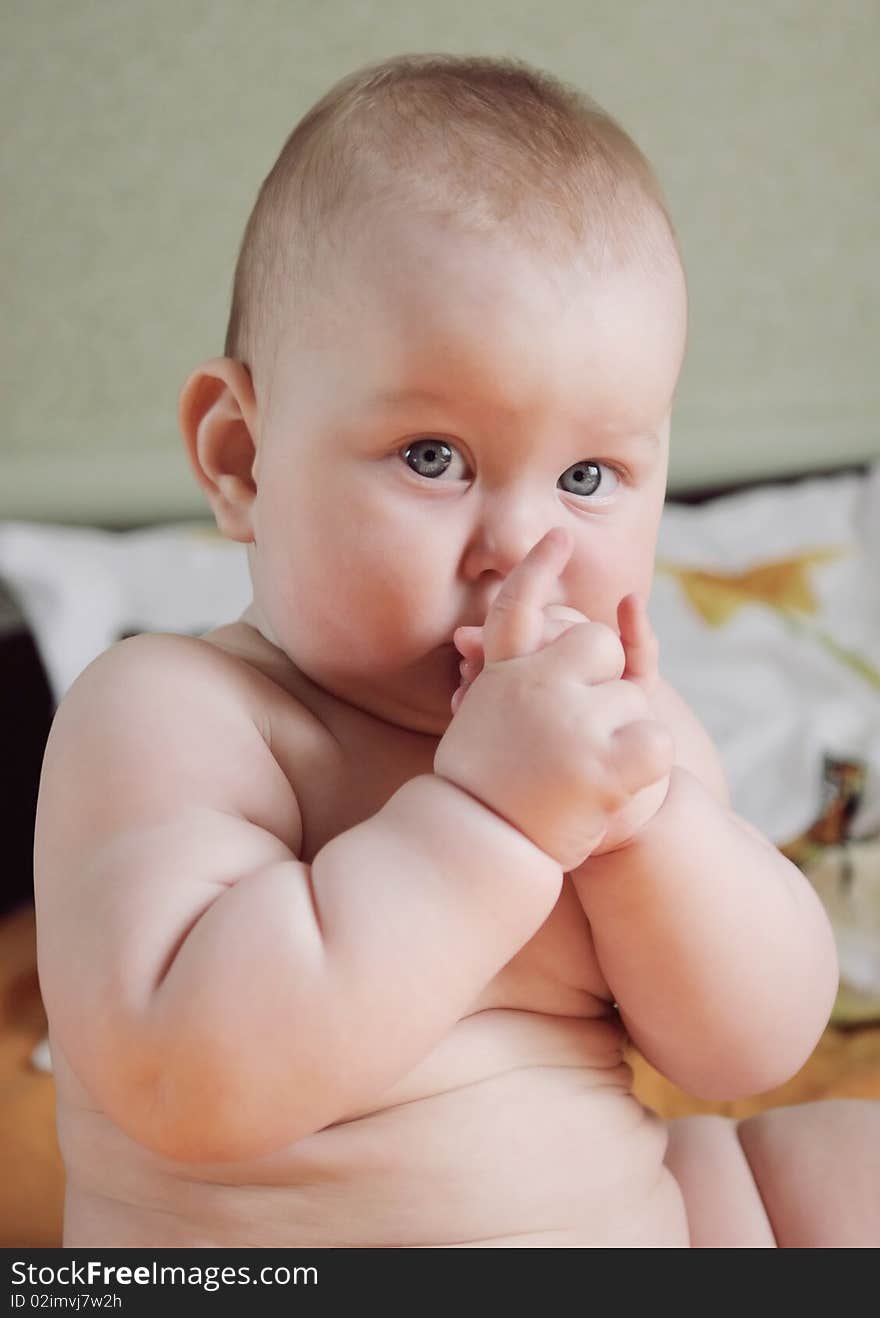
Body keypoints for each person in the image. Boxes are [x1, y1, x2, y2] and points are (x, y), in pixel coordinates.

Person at [34, 52, 880, 1247]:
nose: (518, 546)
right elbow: (189, 1077)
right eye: (434, 455)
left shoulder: (627, 744)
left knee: (843, 1166)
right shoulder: (176, 712)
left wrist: (645, 830)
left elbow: (746, 1045)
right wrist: (489, 823)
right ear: (242, 458)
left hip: (640, 1222)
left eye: (589, 476)